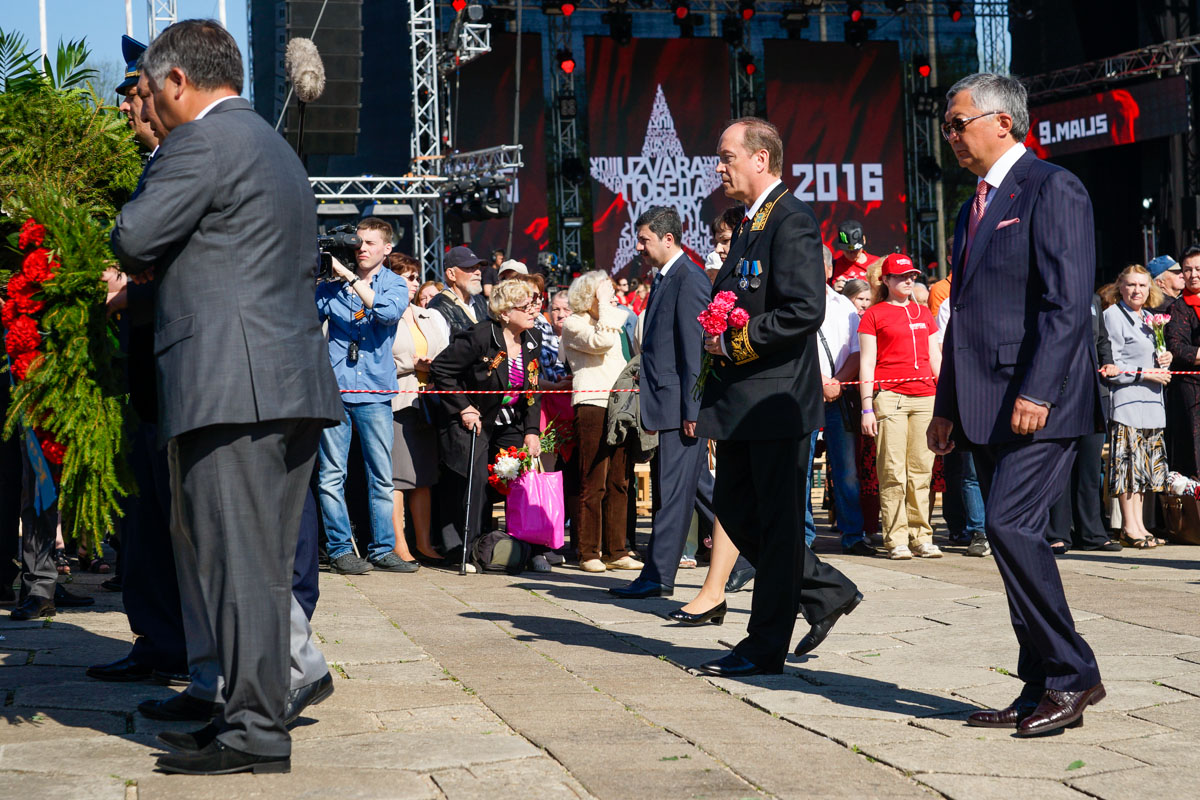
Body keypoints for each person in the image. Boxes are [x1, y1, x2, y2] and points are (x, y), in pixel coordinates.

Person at [109, 19, 343, 774]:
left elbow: (134, 237)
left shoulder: (201, 142)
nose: (148, 105)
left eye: (149, 89)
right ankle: (242, 712)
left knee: (238, 564)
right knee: (257, 564)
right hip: (281, 381)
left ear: (178, 81)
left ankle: (253, 732)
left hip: (230, 385)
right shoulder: (268, 144)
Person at [928, 72, 1106, 736]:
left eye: (958, 122)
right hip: (983, 400)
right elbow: (966, 317)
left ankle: (1073, 675)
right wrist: (946, 404)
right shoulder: (969, 204)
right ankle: (1039, 684)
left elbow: (1068, 305)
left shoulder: (1051, 187)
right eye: (946, 125)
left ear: (1003, 121)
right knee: (1009, 540)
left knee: (1007, 526)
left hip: (1042, 400)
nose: (949, 134)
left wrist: (1038, 388)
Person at [695, 117, 860, 677]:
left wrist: (733, 343)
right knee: (737, 510)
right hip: (745, 401)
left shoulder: (789, 218)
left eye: (727, 156)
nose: (720, 167)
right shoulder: (747, 223)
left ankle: (764, 645)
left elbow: (803, 310)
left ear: (760, 159)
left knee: (776, 521)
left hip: (776, 399)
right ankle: (824, 589)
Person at [610, 207, 710, 599]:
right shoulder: (668, 277)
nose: (639, 247)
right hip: (665, 403)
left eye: (645, 240)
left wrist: (692, 409)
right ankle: (752, 549)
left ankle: (657, 576)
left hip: (678, 408)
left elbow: (694, 352)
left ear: (669, 239)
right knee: (698, 488)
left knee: (670, 494)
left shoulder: (688, 279)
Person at [314, 217, 411, 575]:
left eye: (370, 243)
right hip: (335, 391)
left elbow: (386, 314)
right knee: (330, 476)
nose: (362, 249)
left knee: (381, 477)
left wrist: (352, 280)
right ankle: (340, 549)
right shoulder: (329, 286)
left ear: (387, 248)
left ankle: (383, 549)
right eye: (359, 243)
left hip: (374, 393)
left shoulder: (395, 284)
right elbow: (305, 321)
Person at [429, 279, 543, 562]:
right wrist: (464, 407)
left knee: (517, 478)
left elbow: (532, 387)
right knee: (476, 480)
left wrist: (531, 430)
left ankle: (521, 547)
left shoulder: (532, 338)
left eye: (534, 305)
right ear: (505, 312)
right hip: (476, 418)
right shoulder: (480, 336)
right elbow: (441, 370)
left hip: (511, 420)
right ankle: (468, 550)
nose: (533, 311)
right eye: (525, 306)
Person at [859, 253, 942, 560]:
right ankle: (896, 539)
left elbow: (936, 358)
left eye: (912, 276)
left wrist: (946, 398)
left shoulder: (923, 313)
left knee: (922, 471)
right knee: (892, 470)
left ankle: (921, 535)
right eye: (902, 276)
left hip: (926, 397)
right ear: (886, 280)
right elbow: (866, 363)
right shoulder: (874, 314)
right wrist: (867, 407)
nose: (909, 280)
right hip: (889, 397)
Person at [561, 272, 641, 572]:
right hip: (592, 404)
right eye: (604, 291)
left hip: (620, 405)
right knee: (593, 479)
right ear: (589, 295)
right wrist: (607, 308)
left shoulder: (613, 319)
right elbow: (602, 342)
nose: (611, 297)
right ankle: (588, 551)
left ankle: (616, 549)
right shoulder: (574, 323)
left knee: (619, 480)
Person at [1102, 266, 1174, 547]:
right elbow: (1111, 365)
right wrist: (1145, 372)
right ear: (1120, 287)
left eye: (1142, 286)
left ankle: (1140, 525)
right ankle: (1129, 527)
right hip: (1128, 402)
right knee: (1127, 469)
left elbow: (1151, 356)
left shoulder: (1149, 318)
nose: (1137, 291)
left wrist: (1163, 358)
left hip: (1152, 403)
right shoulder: (1113, 316)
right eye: (1131, 285)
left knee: (1144, 470)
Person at [386, 252, 450, 563]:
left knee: (424, 476)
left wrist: (434, 367)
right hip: (399, 402)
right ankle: (400, 545)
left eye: (415, 276)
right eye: (408, 277)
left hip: (430, 402)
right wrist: (408, 366)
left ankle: (424, 543)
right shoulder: (381, 315)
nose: (414, 282)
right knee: (399, 477)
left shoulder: (432, 316)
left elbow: (449, 356)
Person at [1047, 293, 1122, 555]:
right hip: (1059, 393)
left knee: (1090, 467)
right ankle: (1058, 533)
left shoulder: (1092, 300)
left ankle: (1091, 533)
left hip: (1092, 392)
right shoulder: (1048, 295)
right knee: (1060, 466)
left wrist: (1108, 362)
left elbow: (1102, 339)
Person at [808, 245, 870, 556]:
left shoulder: (844, 306)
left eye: (818, 263)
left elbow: (858, 352)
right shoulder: (791, 303)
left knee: (846, 469)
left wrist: (835, 383)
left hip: (840, 396)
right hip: (804, 396)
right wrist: (820, 382)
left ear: (830, 269)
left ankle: (852, 534)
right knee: (800, 470)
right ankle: (803, 537)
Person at [1165, 246, 1200, 478]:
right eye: (1188, 270)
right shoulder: (1178, 308)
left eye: (1198, 268)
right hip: (1192, 388)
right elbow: (1176, 348)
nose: (1193, 274)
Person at [428, 246, 488, 334]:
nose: (478, 272)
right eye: (470, 268)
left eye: (478, 267)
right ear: (451, 274)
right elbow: (441, 347)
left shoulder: (480, 301)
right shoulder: (438, 308)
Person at [830, 220, 875, 288]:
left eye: (855, 250)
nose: (851, 254)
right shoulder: (833, 267)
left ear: (864, 240)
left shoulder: (877, 264)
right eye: (847, 250)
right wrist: (833, 290)